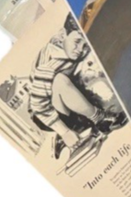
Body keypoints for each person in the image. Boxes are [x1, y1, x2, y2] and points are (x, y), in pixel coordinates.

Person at [28, 16, 125, 157]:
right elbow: (38, 106)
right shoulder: (48, 68)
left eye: (84, 44)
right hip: (46, 110)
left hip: (69, 95)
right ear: (63, 35)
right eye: (77, 42)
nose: (80, 49)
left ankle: (84, 120)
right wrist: (64, 131)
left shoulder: (72, 44)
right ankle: (99, 119)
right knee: (59, 81)